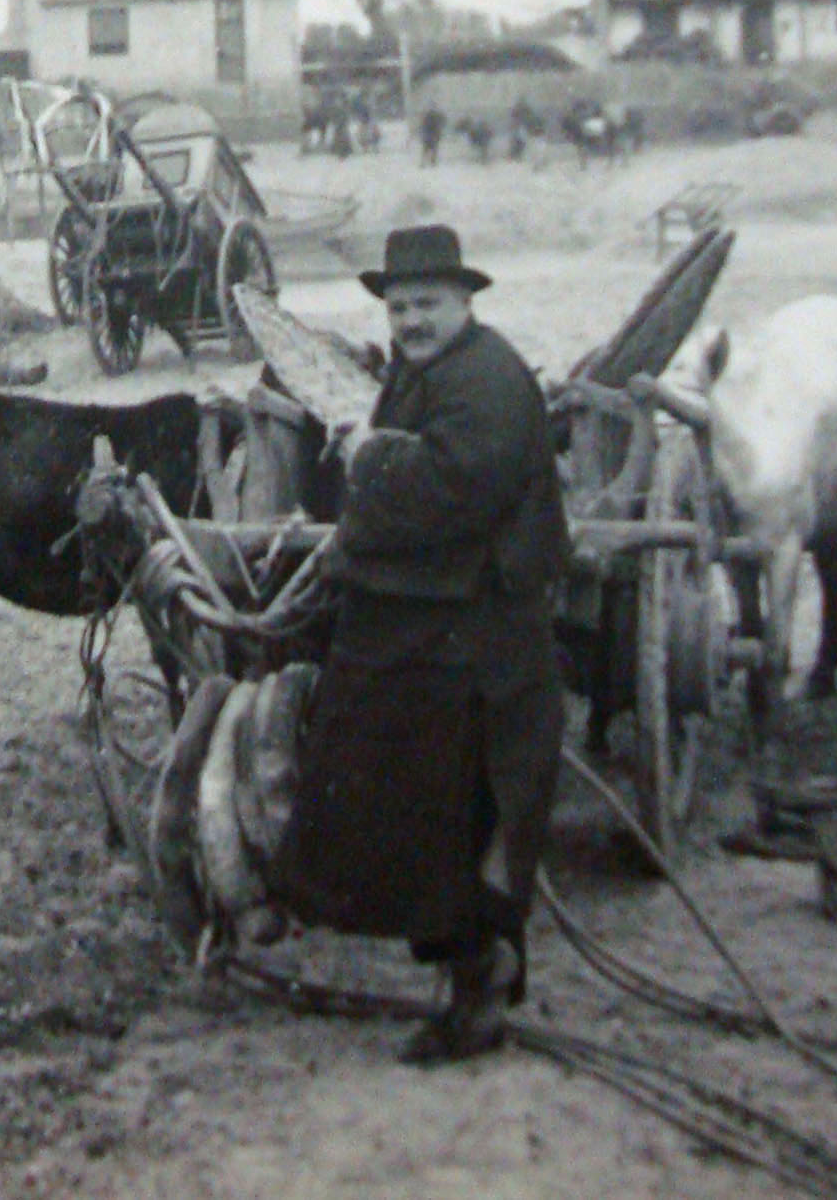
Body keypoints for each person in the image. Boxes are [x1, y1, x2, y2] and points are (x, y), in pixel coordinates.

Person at [268, 225, 568, 1065]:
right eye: (398, 307)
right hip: (431, 620)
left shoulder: (488, 380)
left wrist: (369, 455)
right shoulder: (427, 369)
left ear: (466, 300)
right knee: (422, 817)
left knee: (444, 817)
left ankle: (480, 987)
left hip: (471, 645)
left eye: (426, 303)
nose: (410, 321)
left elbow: (449, 488)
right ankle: (474, 976)